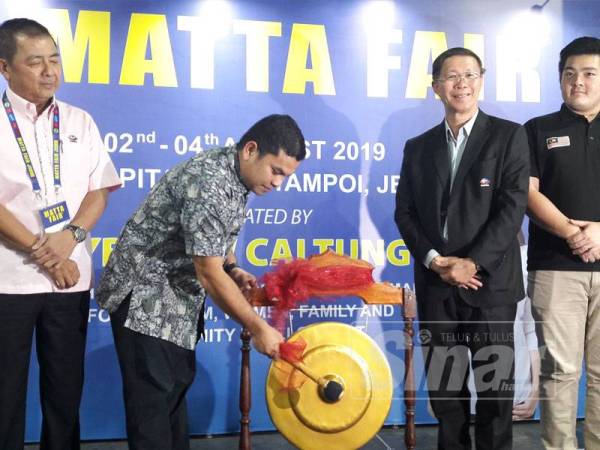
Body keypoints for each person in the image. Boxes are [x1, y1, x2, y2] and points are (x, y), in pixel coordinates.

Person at [95, 114, 305, 450]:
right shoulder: (208, 181)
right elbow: (208, 273)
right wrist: (260, 327)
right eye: (276, 171)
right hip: (144, 299)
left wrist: (234, 268)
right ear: (250, 150)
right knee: (153, 412)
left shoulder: (236, 176)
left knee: (173, 399)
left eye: (286, 176)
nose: (279, 183)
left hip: (176, 301)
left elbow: (217, 240)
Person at [394, 47, 529, 449]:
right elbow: (405, 213)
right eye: (452, 77)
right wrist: (436, 261)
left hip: (490, 287)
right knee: (446, 393)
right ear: (436, 87)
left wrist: (473, 263)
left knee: (494, 395)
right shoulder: (418, 147)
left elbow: (512, 208)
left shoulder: (508, 136)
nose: (461, 84)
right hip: (437, 286)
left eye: (470, 75)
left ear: (481, 80)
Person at [0, 18, 121, 450]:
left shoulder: (78, 120)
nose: (50, 71)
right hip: (8, 280)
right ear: (5, 68)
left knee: (65, 391)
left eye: (54, 60)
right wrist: (41, 249)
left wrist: (69, 238)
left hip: (70, 277)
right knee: (5, 393)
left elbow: (99, 189)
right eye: (35, 62)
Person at [525, 36, 600, 449]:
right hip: (555, 267)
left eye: (589, 73)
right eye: (570, 74)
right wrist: (575, 235)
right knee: (559, 370)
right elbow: (528, 194)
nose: (579, 82)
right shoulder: (538, 130)